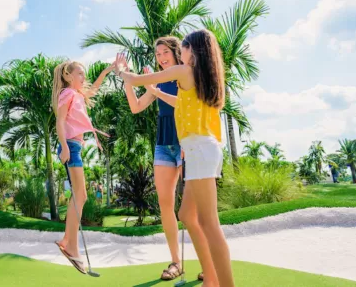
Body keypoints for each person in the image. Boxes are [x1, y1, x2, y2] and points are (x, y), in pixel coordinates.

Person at [115, 29, 235, 287]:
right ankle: (211, 280)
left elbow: (135, 80)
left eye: (184, 48)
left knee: (209, 223)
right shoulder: (201, 78)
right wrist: (155, 91)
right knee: (186, 214)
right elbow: (177, 102)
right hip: (200, 151)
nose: (182, 52)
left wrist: (121, 70)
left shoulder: (183, 71)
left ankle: (222, 284)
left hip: (199, 151)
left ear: (193, 50)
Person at [52, 59, 114, 274]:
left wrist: (107, 70)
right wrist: (64, 147)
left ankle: (68, 241)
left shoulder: (77, 95)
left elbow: (93, 89)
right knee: (81, 195)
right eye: (79, 73)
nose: (83, 77)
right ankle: (71, 245)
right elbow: (59, 121)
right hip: (70, 146)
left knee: (79, 195)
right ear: (68, 76)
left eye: (84, 74)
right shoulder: (67, 94)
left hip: (74, 146)